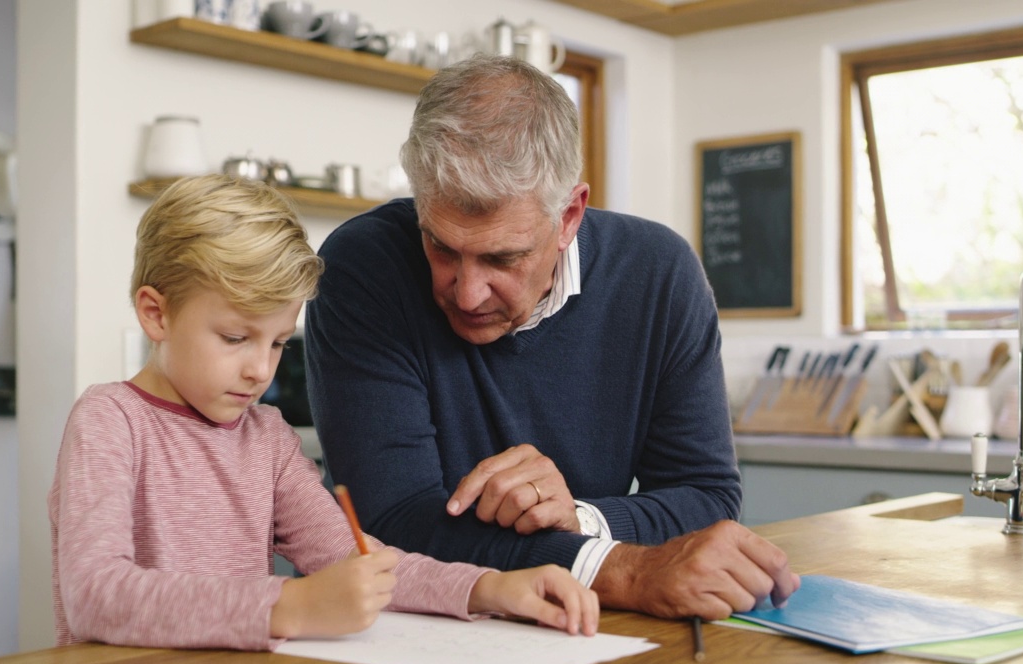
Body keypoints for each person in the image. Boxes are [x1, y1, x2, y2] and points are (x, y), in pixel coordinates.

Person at [305, 55, 799, 621]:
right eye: (441, 246)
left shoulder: (660, 274)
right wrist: (621, 570)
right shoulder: (363, 266)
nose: (466, 294)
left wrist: (579, 519)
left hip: (571, 635)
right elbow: (388, 521)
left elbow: (706, 496)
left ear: (569, 216)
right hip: (391, 634)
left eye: (502, 258)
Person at [48, 175, 597, 651]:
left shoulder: (264, 437)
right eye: (236, 338)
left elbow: (355, 559)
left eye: (278, 343)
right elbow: (96, 596)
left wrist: (489, 588)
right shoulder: (110, 420)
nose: (259, 371)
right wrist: (288, 604)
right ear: (155, 313)